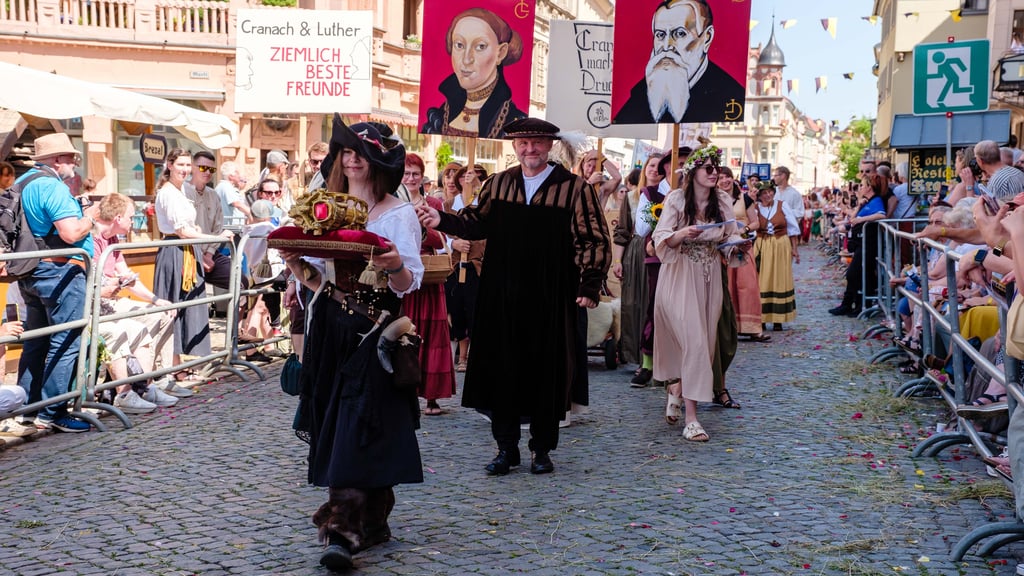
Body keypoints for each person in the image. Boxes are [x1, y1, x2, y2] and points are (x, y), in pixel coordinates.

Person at [417, 117, 611, 476]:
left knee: (545, 369)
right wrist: (440, 219)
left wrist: (589, 283)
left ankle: (541, 449)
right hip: (501, 293)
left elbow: (594, 238)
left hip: (551, 294)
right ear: (514, 146)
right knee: (502, 368)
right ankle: (506, 448)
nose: (530, 149)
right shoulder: (500, 183)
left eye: (537, 142)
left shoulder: (573, 189)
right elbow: (475, 222)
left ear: (549, 145)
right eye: (523, 143)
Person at [282, 115, 423, 571]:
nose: (352, 159)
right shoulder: (322, 209)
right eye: (345, 152)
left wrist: (396, 260)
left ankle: (341, 530)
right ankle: (375, 521)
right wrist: (294, 263)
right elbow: (315, 279)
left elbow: (407, 284)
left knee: (359, 425)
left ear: (377, 163)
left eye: (360, 153)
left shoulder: (399, 214)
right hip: (330, 329)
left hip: (375, 332)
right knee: (343, 424)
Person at [653, 145, 738, 442]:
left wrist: (739, 245)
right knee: (694, 340)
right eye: (708, 168)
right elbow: (660, 237)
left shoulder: (723, 201)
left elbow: (730, 235)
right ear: (694, 173)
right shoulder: (677, 198)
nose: (714, 173)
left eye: (716, 167)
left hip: (710, 275)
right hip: (679, 275)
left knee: (705, 340)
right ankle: (692, 418)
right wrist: (681, 234)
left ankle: (677, 389)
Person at [16, 133, 99, 433]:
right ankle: (52, 412)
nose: (75, 165)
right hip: (60, 271)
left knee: (36, 341)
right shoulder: (51, 186)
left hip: (30, 270)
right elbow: (70, 233)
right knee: (65, 341)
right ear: (57, 160)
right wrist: (90, 216)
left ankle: (26, 410)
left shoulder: (21, 182)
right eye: (71, 158)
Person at [92, 193, 188, 399]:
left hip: (113, 298)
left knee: (163, 313)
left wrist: (155, 300)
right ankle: (144, 384)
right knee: (148, 321)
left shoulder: (113, 239)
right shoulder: (93, 238)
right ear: (118, 218)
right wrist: (115, 282)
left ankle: (158, 377)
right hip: (100, 302)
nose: (133, 221)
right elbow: (96, 283)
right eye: (131, 216)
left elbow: (126, 275)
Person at [153, 148, 233, 375]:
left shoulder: (180, 191)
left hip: (187, 251)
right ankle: (172, 367)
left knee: (187, 304)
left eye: (188, 165)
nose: (185, 170)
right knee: (174, 307)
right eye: (181, 165)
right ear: (169, 165)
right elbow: (182, 231)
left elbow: (190, 227)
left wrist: (202, 237)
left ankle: (179, 364)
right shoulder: (168, 192)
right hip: (175, 252)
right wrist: (215, 238)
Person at [612, 0, 744, 124]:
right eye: (660, 35)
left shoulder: (730, 93)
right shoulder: (641, 93)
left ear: (707, 37)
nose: (666, 46)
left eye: (680, 34)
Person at [401, 153, 456, 416]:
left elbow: (443, 242)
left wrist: (424, 227)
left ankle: (432, 396)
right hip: (403, 277)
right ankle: (404, 391)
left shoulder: (433, 202)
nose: (411, 179)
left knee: (432, 336)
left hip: (430, 276)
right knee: (404, 333)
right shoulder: (393, 203)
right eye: (406, 173)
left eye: (415, 174)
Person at [421, 8, 527, 138]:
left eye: (480, 47)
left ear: (501, 53)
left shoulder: (514, 121)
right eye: (459, 45)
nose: (466, 59)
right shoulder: (438, 117)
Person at [614, 156, 661, 372]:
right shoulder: (632, 197)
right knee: (634, 303)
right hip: (636, 251)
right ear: (644, 170)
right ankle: (636, 356)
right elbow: (622, 231)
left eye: (658, 167)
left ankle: (655, 357)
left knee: (654, 303)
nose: (654, 170)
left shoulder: (670, 195)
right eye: (651, 165)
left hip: (659, 250)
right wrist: (618, 260)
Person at [445, 164, 487, 372]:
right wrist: (454, 244)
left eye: (473, 178)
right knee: (456, 312)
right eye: (465, 177)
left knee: (475, 312)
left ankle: (473, 357)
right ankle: (460, 356)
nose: (467, 180)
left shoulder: (483, 203)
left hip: (476, 266)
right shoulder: (449, 204)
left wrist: (479, 187)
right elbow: (441, 234)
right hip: (454, 266)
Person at [719, 166, 767, 342]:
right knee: (728, 286)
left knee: (747, 286)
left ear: (733, 178)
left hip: (742, 246)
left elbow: (755, 223)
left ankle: (752, 327)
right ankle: (729, 327)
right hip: (723, 246)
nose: (724, 181)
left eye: (727, 177)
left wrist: (744, 229)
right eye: (721, 178)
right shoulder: (714, 200)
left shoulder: (744, 198)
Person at [752, 182, 799, 331]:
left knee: (779, 278)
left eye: (770, 192)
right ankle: (762, 319)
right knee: (761, 280)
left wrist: (794, 249)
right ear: (759, 195)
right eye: (764, 193)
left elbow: (792, 229)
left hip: (780, 245)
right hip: (762, 245)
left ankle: (778, 319)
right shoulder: (755, 208)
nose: (768, 195)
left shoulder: (782, 205)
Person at [186, 151, 234, 290]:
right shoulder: (183, 191)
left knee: (239, 280)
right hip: (188, 253)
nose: (207, 172)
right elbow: (183, 229)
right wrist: (201, 256)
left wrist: (209, 254)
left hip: (211, 253)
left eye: (211, 169)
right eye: (203, 168)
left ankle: (231, 311)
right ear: (193, 168)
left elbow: (218, 228)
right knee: (193, 293)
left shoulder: (213, 195)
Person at [215, 161, 251, 227]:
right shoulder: (226, 186)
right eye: (237, 172)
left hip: (228, 227)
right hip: (231, 229)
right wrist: (253, 214)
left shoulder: (222, 186)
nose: (239, 175)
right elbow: (237, 204)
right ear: (231, 176)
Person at [773, 166, 803, 238]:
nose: (774, 178)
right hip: (772, 232)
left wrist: (784, 212)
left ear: (783, 176)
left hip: (787, 233)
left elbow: (800, 212)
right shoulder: (773, 192)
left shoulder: (795, 193)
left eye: (775, 175)